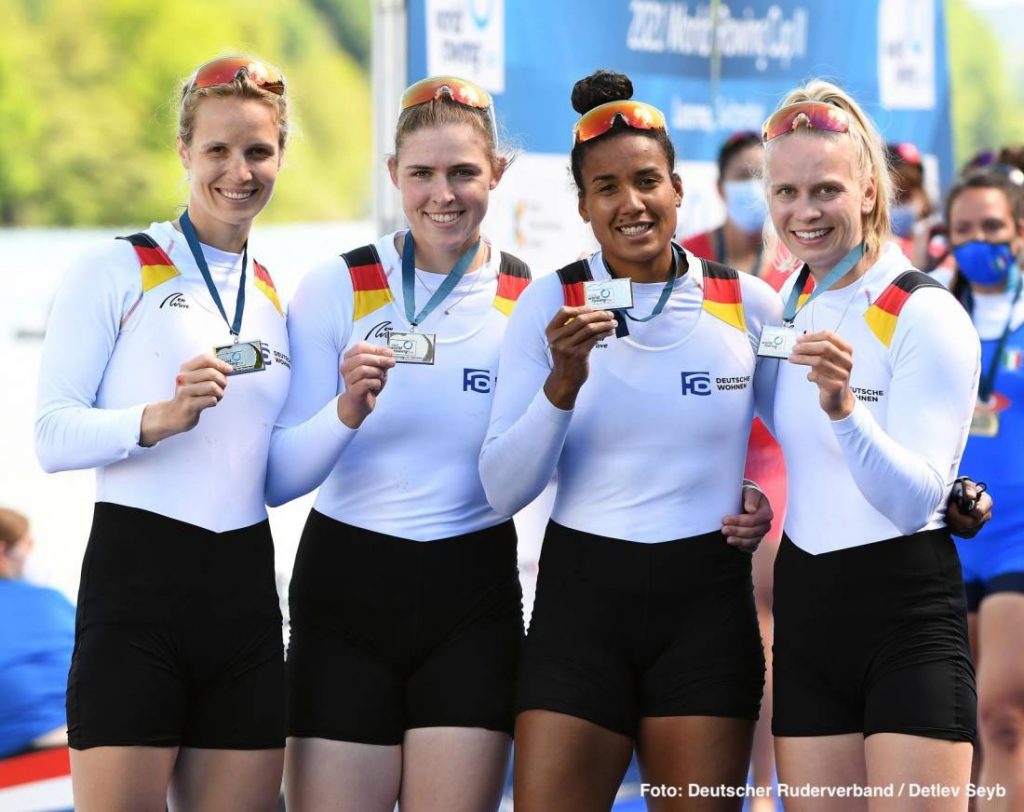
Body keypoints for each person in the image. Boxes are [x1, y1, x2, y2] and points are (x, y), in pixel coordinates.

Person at [480, 69, 778, 811]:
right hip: (582, 606)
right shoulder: (551, 301)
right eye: (606, 188)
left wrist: (763, 497)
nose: (631, 203)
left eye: (647, 181)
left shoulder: (748, 301)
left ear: (679, 189)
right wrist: (561, 384)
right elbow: (499, 488)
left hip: (705, 608)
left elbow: (811, 439)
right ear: (582, 205)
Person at [34, 56, 291, 812]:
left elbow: (270, 473)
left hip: (246, 597)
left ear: (280, 155)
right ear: (184, 152)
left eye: (257, 151)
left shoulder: (275, 291)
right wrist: (156, 419)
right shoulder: (120, 267)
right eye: (217, 150)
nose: (238, 171)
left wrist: (346, 415)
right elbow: (51, 436)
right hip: (138, 592)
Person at [267, 75, 530, 812]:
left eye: (463, 173)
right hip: (348, 585)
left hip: (471, 592)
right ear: (394, 175)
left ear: (497, 175)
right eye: (421, 174)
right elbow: (278, 477)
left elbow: (565, 453)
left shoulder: (526, 296)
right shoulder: (339, 286)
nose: (442, 195)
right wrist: (345, 411)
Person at [761, 80, 980, 807]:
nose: (804, 212)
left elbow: (913, 497)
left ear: (866, 191)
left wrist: (845, 409)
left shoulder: (922, 310)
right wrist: (745, 498)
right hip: (806, 605)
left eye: (825, 189)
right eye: (786, 192)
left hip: (904, 614)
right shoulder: (782, 307)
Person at [684, 131, 789, 809]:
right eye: (744, 176)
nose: (754, 187)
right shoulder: (689, 257)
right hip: (700, 450)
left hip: (772, 452)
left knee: (763, 610)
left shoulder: (791, 267)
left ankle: (763, 786)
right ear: (721, 187)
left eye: (764, 176)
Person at [945, 169, 1024, 810]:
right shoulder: (933, 310)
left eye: (992, 227)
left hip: (1018, 541)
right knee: (958, 729)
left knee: (1003, 717)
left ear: (1019, 232)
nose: (977, 241)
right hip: (946, 534)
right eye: (963, 229)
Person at [0, 509, 75, 758]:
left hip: (18, 754)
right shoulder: (51, 600)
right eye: (28, 544)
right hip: (85, 738)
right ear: (4, 550)